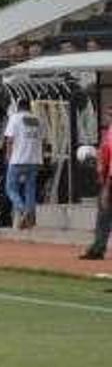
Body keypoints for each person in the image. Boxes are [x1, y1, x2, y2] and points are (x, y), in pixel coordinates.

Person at [3, 105, 45, 229]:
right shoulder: (38, 119)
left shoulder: (15, 118)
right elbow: (42, 140)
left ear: (18, 107)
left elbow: (10, 139)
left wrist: (8, 155)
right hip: (34, 159)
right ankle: (30, 218)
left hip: (18, 159)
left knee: (10, 188)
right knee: (30, 189)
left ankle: (23, 210)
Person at [79, 104, 112, 260]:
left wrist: (106, 184)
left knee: (104, 214)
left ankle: (98, 248)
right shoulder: (109, 132)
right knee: (103, 215)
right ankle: (98, 247)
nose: (108, 117)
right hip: (107, 177)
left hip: (110, 180)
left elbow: (107, 156)